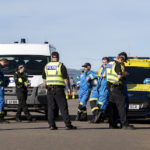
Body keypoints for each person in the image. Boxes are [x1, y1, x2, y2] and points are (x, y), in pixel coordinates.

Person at [42, 51, 76, 130]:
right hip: (59, 89)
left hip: (49, 89)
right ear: (58, 57)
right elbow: (65, 79)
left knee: (51, 108)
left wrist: (45, 88)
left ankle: (51, 125)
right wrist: (69, 88)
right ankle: (68, 125)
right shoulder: (60, 65)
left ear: (51, 58)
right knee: (63, 107)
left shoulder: (46, 66)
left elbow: (44, 78)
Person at [106, 53, 135, 129]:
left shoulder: (109, 63)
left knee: (112, 106)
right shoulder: (117, 64)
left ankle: (112, 124)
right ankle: (124, 124)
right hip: (117, 87)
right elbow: (119, 76)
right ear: (121, 58)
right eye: (123, 60)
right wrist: (124, 74)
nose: (123, 62)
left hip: (110, 86)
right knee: (121, 106)